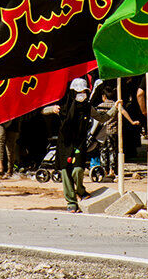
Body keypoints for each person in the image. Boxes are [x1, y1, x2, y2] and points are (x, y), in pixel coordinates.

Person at [54, 78, 92, 213]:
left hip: (79, 142)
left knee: (78, 170)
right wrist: (51, 109)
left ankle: (80, 190)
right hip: (65, 143)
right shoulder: (63, 107)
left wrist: (115, 109)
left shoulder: (88, 108)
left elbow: (102, 117)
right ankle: (71, 201)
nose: (81, 94)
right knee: (66, 171)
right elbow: (42, 111)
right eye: (78, 92)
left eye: (83, 92)